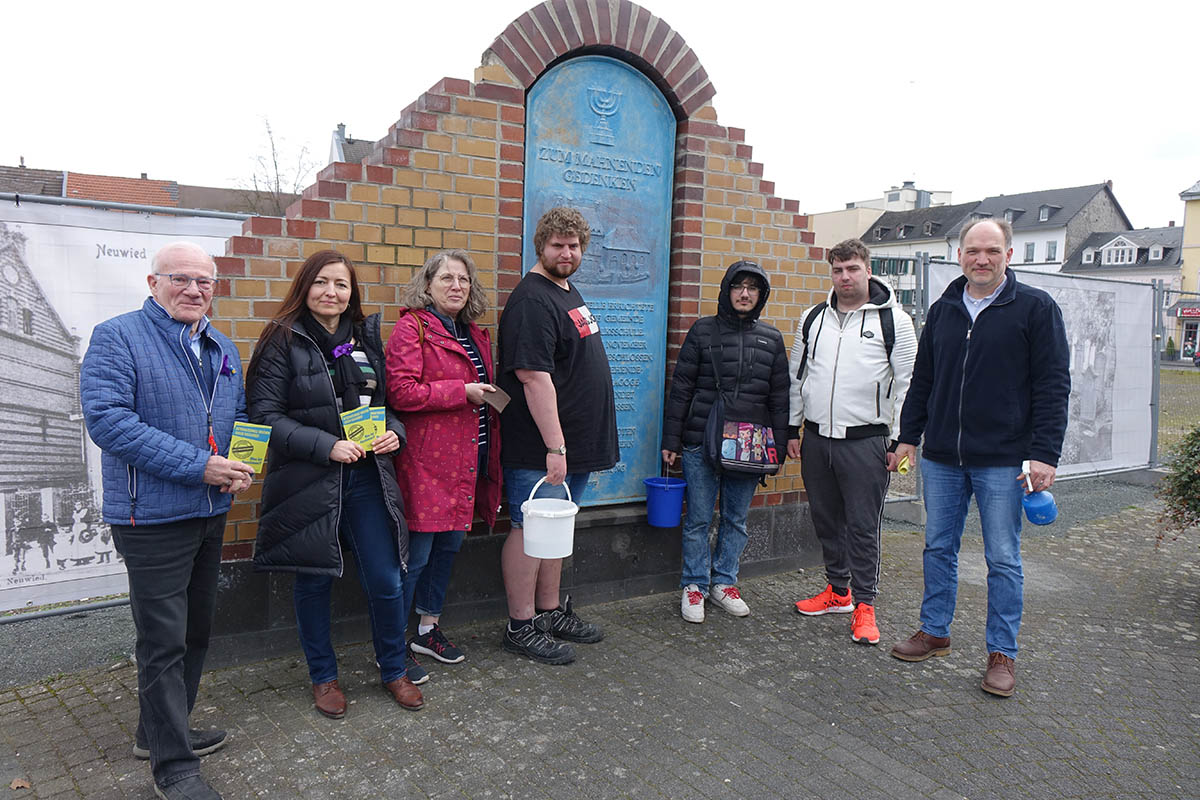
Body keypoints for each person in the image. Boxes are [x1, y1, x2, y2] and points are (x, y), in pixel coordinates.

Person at [80, 242, 251, 800]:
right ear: (154, 282)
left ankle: (156, 733)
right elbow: (109, 421)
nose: (194, 289)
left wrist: (242, 462)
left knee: (195, 632)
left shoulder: (222, 345)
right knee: (162, 642)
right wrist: (200, 466)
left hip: (209, 510)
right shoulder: (118, 336)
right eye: (181, 279)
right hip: (149, 518)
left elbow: (238, 417)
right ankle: (173, 768)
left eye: (205, 281)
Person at [889, 218, 1070, 697]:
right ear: (960, 255)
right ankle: (934, 631)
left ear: (1009, 255)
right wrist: (908, 437)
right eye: (973, 251)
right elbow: (923, 379)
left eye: (992, 250)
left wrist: (1044, 453)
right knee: (937, 548)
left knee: (1003, 558)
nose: (981, 259)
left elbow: (1053, 386)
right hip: (944, 456)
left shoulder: (1035, 308)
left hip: (1004, 461)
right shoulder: (944, 308)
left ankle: (1002, 653)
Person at [246, 249, 420, 716]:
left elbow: (389, 405)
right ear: (305, 287)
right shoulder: (282, 339)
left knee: (386, 579)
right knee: (314, 584)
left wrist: (393, 433)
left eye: (341, 284)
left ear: (351, 293)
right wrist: (326, 446)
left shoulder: (365, 337)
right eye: (322, 282)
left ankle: (394, 670)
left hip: (365, 477)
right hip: (306, 481)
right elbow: (263, 417)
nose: (332, 292)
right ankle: (323, 677)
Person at [496, 206, 618, 663]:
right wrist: (555, 446)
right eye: (557, 245)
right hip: (543, 447)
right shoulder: (532, 299)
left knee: (554, 530)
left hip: (573, 445)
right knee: (529, 530)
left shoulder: (565, 290)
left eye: (574, 246)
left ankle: (548, 612)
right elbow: (533, 377)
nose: (567, 253)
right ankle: (520, 625)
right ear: (540, 246)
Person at [787, 239, 917, 644]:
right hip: (817, 440)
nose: (845, 277)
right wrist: (793, 429)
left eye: (853, 269)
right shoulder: (812, 319)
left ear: (868, 269)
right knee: (827, 522)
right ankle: (838, 592)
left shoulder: (895, 321)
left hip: (867, 442)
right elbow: (797, 379)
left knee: (863, 526)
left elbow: (910, 385)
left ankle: (865, 605)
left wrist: (904, 441)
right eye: (838, 270)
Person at [385, 249, 502, 681]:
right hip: (426, 464)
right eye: (447, 278)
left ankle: (427, 630)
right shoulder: (411, 328)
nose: (456, 286)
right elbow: (400, 392)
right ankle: (392, 645)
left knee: (447, 552)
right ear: (428, 285)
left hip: (467, 465)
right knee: (416, 558)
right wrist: (462, 392)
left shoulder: (474, 334)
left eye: (464, 280)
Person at [661, 260, 790, 623]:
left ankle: (725, 583)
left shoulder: (772, 339)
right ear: (726, 291)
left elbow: (780, 398)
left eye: (753, 288)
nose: (744, 294)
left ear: (761, 295)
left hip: (748, 446)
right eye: (738, 286)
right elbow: (681, 388)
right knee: (698, 519)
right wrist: (671, 438)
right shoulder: (702, 332)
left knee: (736, 519)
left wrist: (777, 449)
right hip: (700, 441)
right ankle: (694, 586)